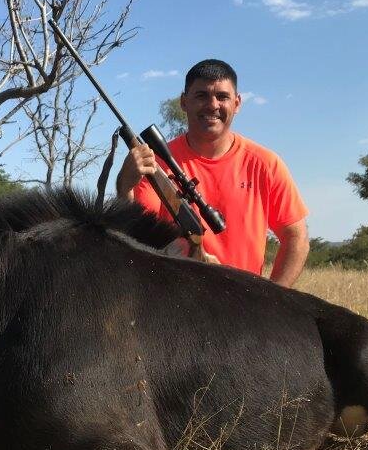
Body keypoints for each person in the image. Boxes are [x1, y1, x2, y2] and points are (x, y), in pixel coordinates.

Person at [116, 59, 309, 288]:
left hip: (244, 305)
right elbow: (136, 235)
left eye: (222, 97)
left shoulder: (266, 164)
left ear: (237, 103)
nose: (212, 105)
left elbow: (296, 237)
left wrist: (274, 299)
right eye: (201, 96)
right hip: (173, 301)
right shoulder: (153, 164)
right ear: (184, 102)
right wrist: (125, 186)